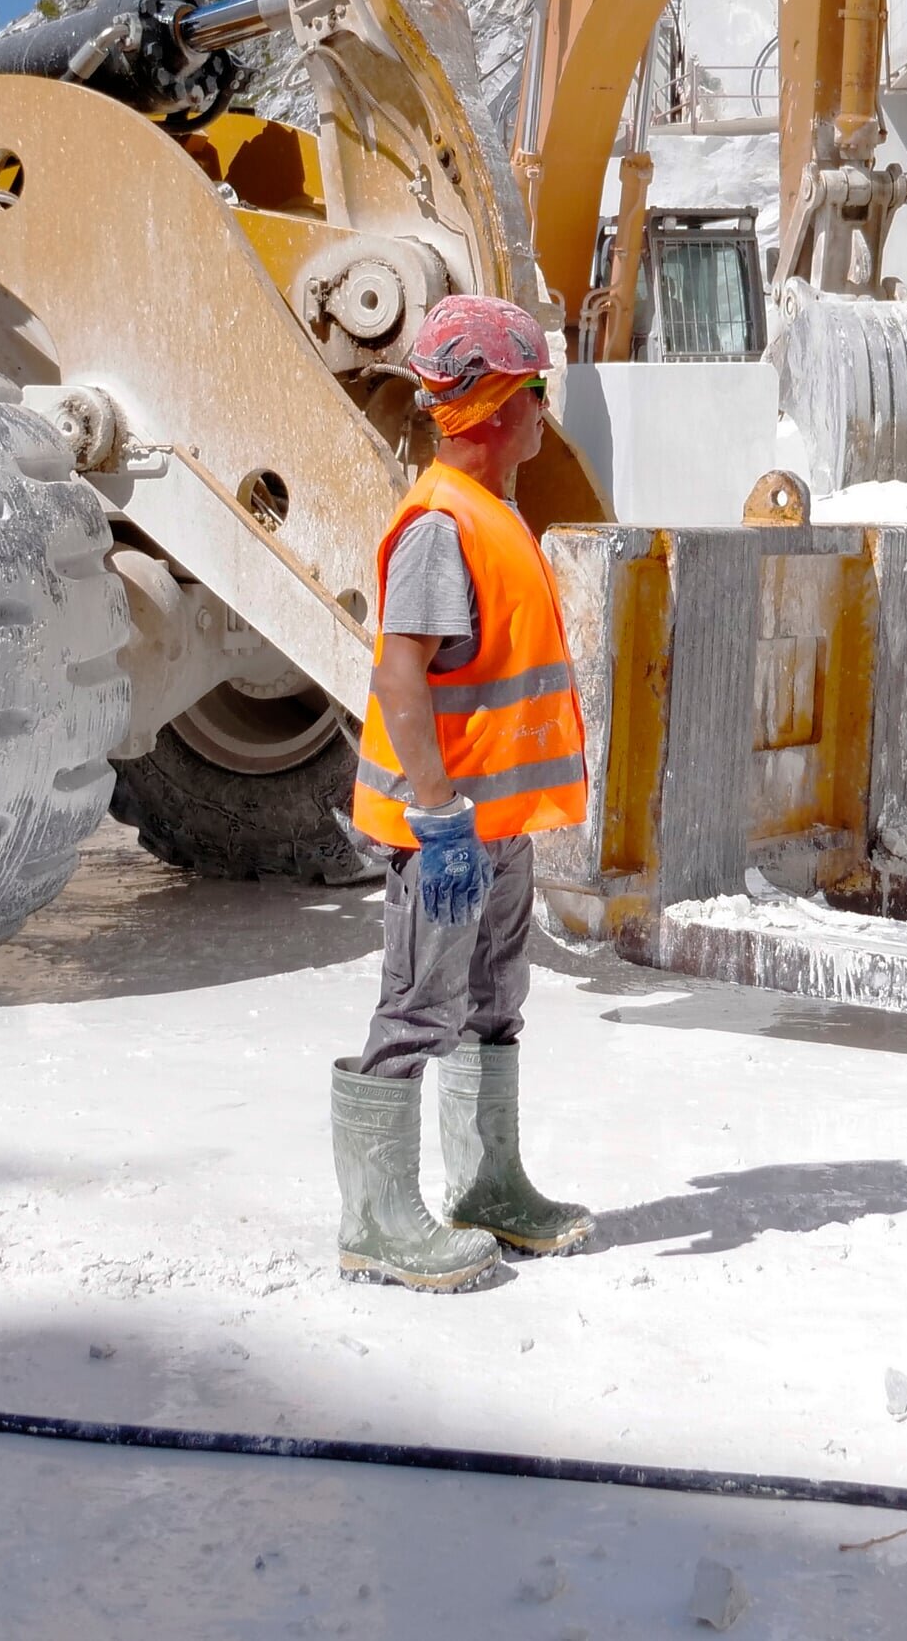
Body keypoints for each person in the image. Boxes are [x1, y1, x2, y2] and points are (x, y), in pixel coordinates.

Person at [327, 294, 599, 1292]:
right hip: (448, 832)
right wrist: (439, 816)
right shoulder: (442, 527)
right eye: (537, 392)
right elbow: (401, 677)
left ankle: (488, 1188)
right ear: (492, 405)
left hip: (497, 828)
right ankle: (376, 1220)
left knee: (492, 1003)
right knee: (418, 1006)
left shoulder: (490, 515)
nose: (543, 413)